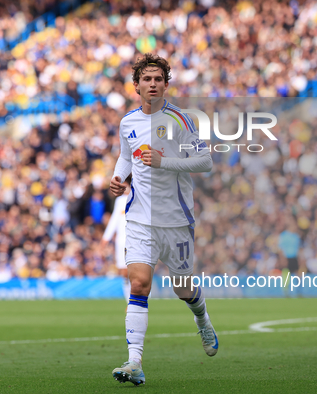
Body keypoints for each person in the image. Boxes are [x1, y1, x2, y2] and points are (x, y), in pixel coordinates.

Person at [109, 53, 215, 386]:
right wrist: (118, 178)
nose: (152, 84)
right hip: (140, 219)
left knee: (183, 288)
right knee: (138, 283)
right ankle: (134, 361)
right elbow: (126, 158)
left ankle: (203, 320)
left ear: (166, 84)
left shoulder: (181, 121)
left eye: (158, 79)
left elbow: (205, 162)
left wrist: (164, 162)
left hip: (176, 221)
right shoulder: (128, 122)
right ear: (137, 85)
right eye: (147, 79)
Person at [101, 176, 132, 302]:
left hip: (135, 240)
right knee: (124, 273)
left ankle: (139, 299)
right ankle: (129, 301)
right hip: (121, 242)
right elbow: (114, 220)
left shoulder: (138, 199)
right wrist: (105, 238)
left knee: (135, 271)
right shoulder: (120, 201)